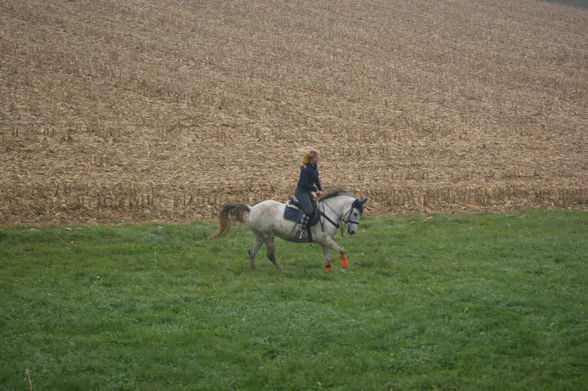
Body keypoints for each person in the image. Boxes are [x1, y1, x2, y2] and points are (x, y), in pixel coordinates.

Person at [294, 147, 324, 238]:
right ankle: (300, 230)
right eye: (315, 158)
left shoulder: (314, 166)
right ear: (310, 159)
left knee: (316, 208)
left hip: (308, 192)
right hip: (301, 192)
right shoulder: (305, 169)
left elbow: (316, 179)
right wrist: (315, 190)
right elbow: (303, 184)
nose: (317, 159)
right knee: (309, 210)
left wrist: (320, 189)